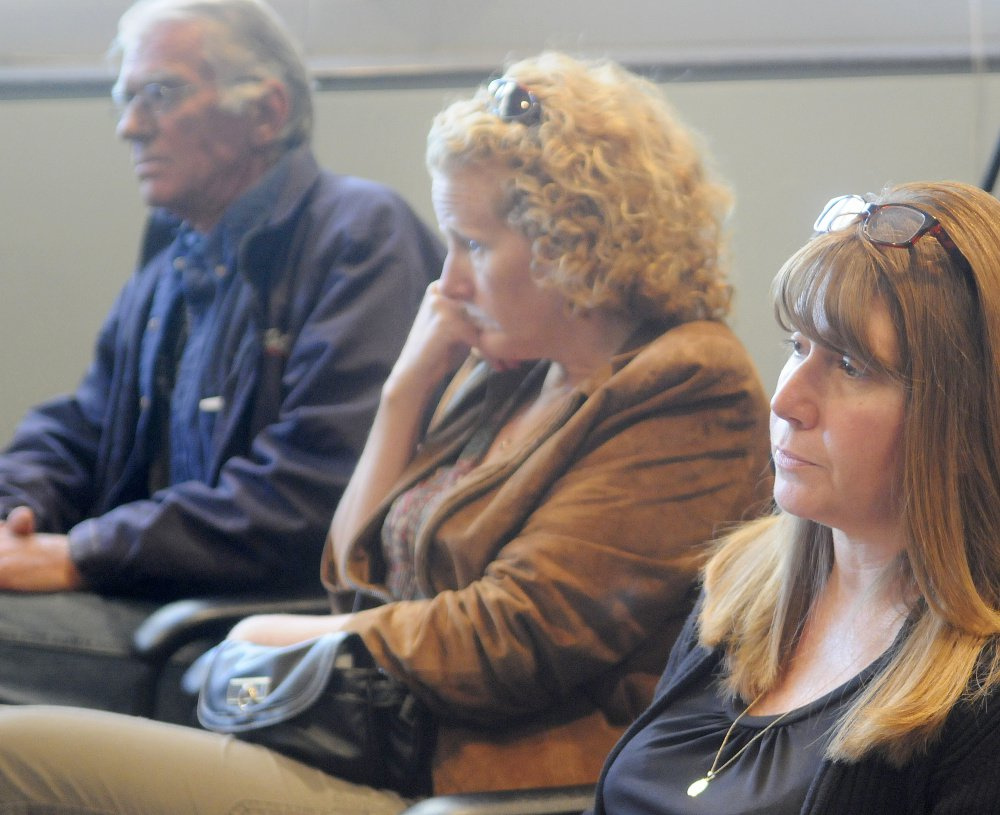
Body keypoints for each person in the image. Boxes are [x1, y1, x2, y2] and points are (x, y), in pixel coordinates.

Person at [0, 51, 771, 813]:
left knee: (16, 757)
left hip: (473, 783)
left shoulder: (687, 383)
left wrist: (296, 636)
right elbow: (350, 576)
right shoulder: (515, 367)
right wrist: (406, 393)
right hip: (376, 747)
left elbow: (513, 637)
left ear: (571, 243)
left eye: (471, 243)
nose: (449, 283)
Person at [0, 0, 442, 714]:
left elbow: (313, 492)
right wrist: (14, 510)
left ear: (266, 112)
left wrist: (81, 554)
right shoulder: (174, 257)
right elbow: (79, 430)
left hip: (243, 641)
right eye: (126, 97)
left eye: (160, 94)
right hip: (154, 603)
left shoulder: (360, 235)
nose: (130, 125)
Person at [590, 180, 1000, 815]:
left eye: (850, 366)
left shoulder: (981, 691)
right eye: (798, 348)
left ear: (962, 413)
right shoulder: (741, 581)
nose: (785, 402)